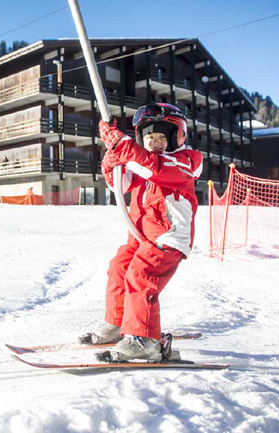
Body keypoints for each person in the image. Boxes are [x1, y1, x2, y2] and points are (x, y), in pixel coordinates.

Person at [79, 103, 203, 362]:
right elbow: (119, 181)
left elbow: (155, 168)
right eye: (149, 137)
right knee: (119, 267)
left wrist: (121, 145)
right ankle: (119, 323)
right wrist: (113, 154)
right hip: (140, 236)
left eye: (161, 137)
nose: (155, 143)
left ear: (176, 136)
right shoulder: (143, 162)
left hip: (167, 238)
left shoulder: (185, 161)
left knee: (142, 275)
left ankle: (144, 339)